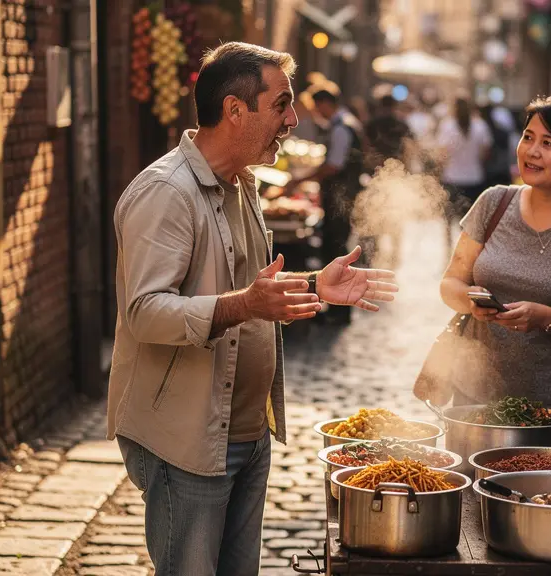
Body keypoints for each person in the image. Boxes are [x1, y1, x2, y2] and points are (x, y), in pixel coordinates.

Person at [106, 42, 399, 576]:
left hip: (245, 433)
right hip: (189, 442)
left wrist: (314, 284)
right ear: (235, 110)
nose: (293, 119)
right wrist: (245, 303)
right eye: (282, 104)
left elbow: (248, 287)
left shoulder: (240, 182)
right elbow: (144, 313)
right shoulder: (166, 193)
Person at [435, 95, 551, 449]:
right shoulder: (494, 202)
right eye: (528, 137)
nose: (532, 151)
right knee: (473, 503)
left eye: (548, 144)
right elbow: (450, 283)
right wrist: (472, 303)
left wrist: (548, 317)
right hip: (476, 400)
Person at [285, 89, 366, 325]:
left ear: (325, 103)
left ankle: (339, 310)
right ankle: (336, 307)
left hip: (341, 199)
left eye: (317, 108)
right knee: (335, 249)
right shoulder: (344, 123)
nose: (317, 114)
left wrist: (300, 180)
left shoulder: (341, 127)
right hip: (341, 198)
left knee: (336, 251)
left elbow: (333, 165)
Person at [436, 96, 494, 235]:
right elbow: (485, 154)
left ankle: (449, 251)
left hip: (452, 178)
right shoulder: (480, 125)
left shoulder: (447, 125)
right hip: (474, 179)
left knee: (448, 220)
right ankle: (466, 252)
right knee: (471, 223)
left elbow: (442, 154)